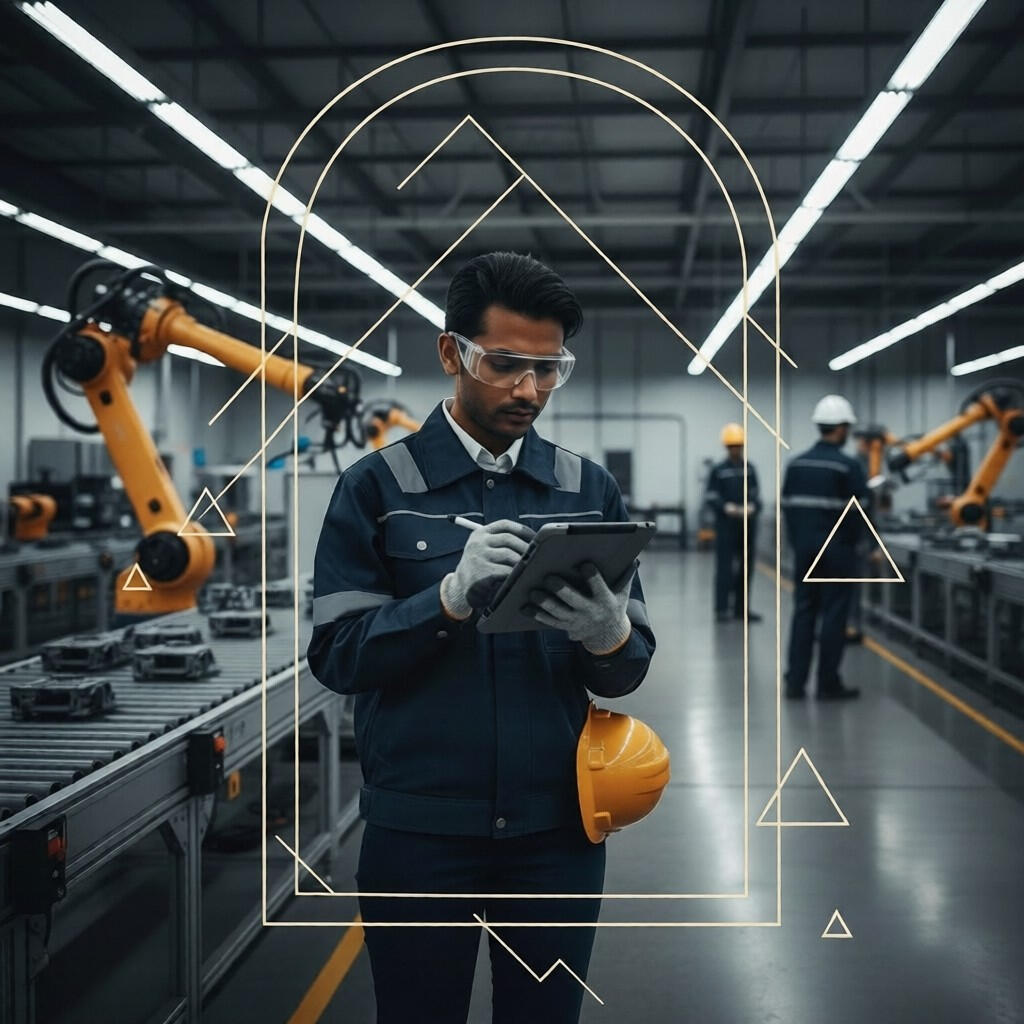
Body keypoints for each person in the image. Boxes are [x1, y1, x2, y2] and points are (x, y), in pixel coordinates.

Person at [306, 251, 656, 1023]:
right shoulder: (377, 487)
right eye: (505, 365)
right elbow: (337, 655)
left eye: (550, 369)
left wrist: (609, 635)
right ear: (451, 352)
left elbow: (626, 672)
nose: (529, 391)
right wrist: (448, 598)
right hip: (420, 832)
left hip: (555, 833)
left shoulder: (586, 488)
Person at [781, 395, 869, 700]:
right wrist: (854, 546)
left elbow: (787, 510)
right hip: (837, 554)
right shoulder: (848, 466)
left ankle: (795, 682)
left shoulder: (796, 465)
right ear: (842, 427)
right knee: (834, 616)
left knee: (803, 613)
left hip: (805, 551)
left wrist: (800, 543)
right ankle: (827, 683)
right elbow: (861, 513)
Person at [704, 422, 763, 623]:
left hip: (747, 525)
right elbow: (711, 496)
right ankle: (721, 609)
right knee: (725, 567)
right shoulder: (719, 470)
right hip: (726, 525)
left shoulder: (750, 469)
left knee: (746, 567)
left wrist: (753, 506)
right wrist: (725, 507)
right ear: (727, 447)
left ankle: (741, 609)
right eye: (732, 446)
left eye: (738, 446)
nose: (735, 449)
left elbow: (756, 495)